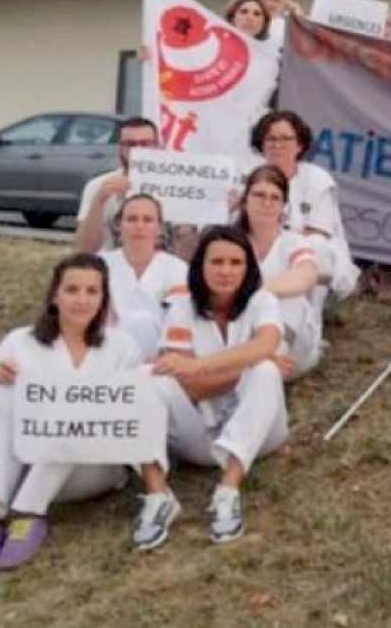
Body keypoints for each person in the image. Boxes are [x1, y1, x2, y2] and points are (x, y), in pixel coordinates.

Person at [0, 254, 152, 574]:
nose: (81, 300)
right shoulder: (21, 341)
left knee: (73, 416)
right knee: (1, 397)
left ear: (103, 299)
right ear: (55, 295)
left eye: (92, 291)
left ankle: (28, 513)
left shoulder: (122, 346)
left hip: (90, 468)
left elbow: (133, 412)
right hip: (25, 461)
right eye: (72, 289)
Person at [142, 225, 288, 545]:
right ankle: (158, 496)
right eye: (217, 262)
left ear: (248, 268)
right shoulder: (182, 306)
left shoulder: (262, 301)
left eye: (236, 263)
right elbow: (182, 383)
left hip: (261, 436)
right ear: (200, 265)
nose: (226, 271)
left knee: (264, 370)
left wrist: (199, 366)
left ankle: (228, 490)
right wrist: (240, 366)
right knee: (146, 379)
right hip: (201, 438)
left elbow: (265, 345)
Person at [250, 110, 360, 303]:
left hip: (307, 257)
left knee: (314, 247)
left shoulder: (317, 179)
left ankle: (308, 326)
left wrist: (277, 246)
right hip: (260, 250)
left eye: (285, 139)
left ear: (299, 145)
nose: (277, 145)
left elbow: (319, 232)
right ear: (262, 144)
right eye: (271, 139)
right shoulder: (249, 177)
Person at [237, 165, 322, 377]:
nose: (266, 203)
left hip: (290, 348)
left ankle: (265, 363)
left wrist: (257, 293)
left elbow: (305, 276)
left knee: (287, 299)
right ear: (245, 199)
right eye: (259, 195)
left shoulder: (293, 242)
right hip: (239, 334)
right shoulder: (228, 240)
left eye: (275, 198)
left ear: (284, 205)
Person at [98, 194, 188, 361]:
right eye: (132, 219)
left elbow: (178, 316)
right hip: (108, 351)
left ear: (159, 227)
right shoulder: (100, 264)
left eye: (147, 220)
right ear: (119, 224)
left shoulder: (177, 269)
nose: (139, 226)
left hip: (159, 355)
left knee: (142, 322)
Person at [73, 116, 163, 253]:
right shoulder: (99, 186)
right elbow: (84, 249)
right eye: (130, 144)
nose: (137, 150)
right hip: (112, 269)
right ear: (120, 147)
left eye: (145, 144)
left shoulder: (178, 188)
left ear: (158, 146)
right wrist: (99, 200)